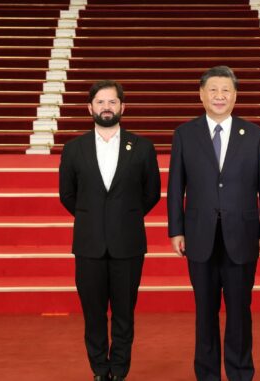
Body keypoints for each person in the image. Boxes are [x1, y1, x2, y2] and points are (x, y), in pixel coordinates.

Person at [167, 66, 260, 381]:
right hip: (199, 236)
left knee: (240, 311)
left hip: (242, 235)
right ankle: (207, 374)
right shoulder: (185, 134)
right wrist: (176, 229)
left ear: (235, 95)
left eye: (225, 90)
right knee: (205, 312)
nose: (219, 96)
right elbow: (176, 186)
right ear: (201, 94)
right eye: (213, 90)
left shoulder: (255, 134)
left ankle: (241, 372)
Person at [59, 80, 161, 381]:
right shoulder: (74, 149)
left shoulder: (142, 147)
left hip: (127, 243)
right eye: (101, 102)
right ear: (90, 107)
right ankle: (99, 371)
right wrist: (94, 217)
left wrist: (123, 216)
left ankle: (119, 370)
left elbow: (151, 192)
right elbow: (67, 195)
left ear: (122, 107)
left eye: (112, 102)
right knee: (93, 315)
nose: (107, 107)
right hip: (88, 244)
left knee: (124, 314)